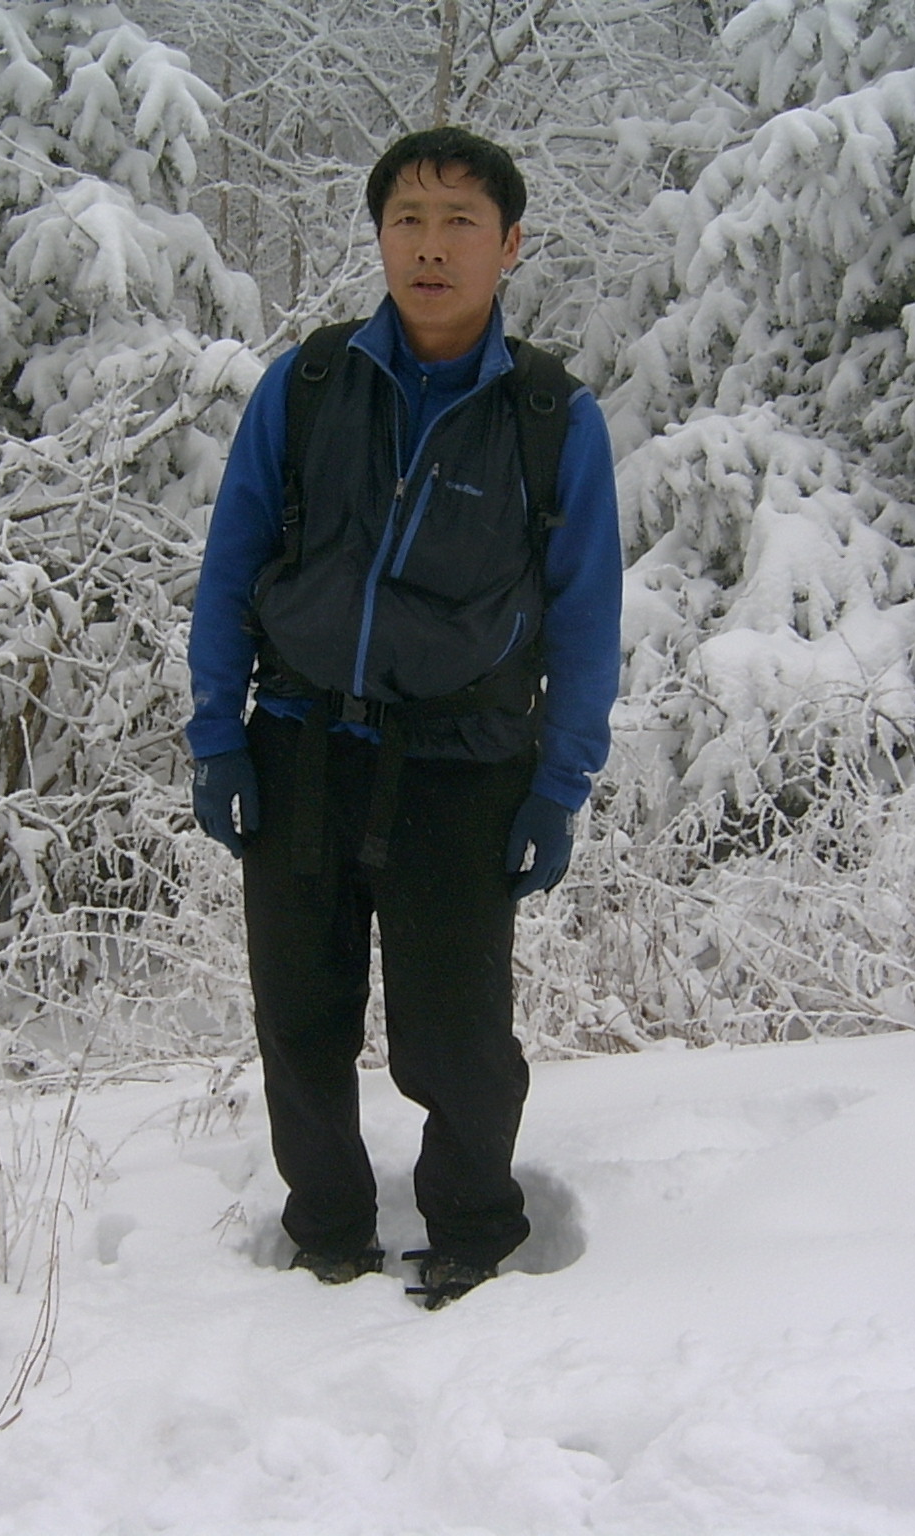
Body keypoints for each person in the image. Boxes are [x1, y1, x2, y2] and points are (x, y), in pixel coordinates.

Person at [185, 127, 621, 1309]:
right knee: (299, 1018)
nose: (430, 248)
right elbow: (231, 567)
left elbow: (586, 618)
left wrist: (558, 785)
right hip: (299, 746)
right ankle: (326, 1231)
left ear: (508, 245)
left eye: (459, 223)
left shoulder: (548, 415)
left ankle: (472, 1234)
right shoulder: (310, 384)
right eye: (407, 221)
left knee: (457, 1035)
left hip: (463, 763)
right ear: (379, 237)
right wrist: (217, 734)